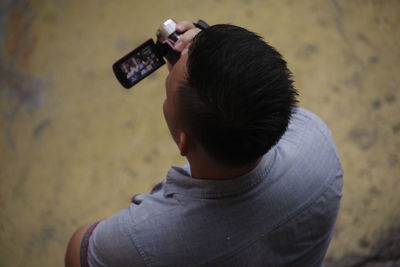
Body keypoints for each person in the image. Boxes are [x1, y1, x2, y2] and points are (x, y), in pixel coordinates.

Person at [66, 21, 343, 267]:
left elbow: (77, 252)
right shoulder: (317, 140)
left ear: (183, 142)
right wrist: (216, 57)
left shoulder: (142, 242)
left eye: (168, 94)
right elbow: (262, 102)